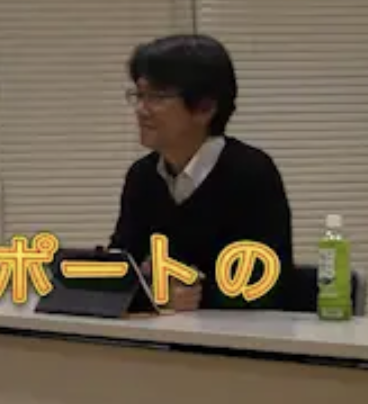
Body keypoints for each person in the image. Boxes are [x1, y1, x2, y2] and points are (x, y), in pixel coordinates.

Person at [109, 33, 294, 311]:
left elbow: (264, 284)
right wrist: (152, 293)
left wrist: (192, 295)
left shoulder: (251, 173)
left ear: (204, 108)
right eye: (139, 95)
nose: (141, 110)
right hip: (165, 333)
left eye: (156, 97)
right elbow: (120, 269)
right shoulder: (142, 176)